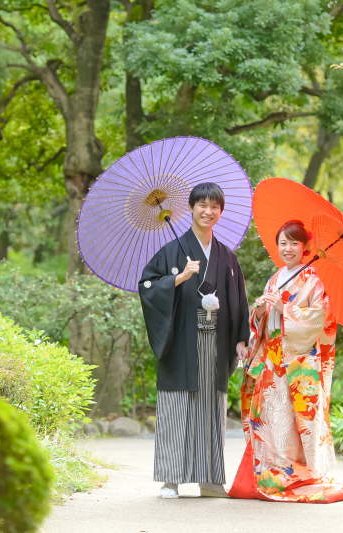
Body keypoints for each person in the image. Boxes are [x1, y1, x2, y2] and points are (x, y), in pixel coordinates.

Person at [138, 182, 250, 499]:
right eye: (202, 205)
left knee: (210, 409)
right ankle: (171, 479)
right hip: (181, 340)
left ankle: (210, 479)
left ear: (220, 212)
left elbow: (239, 300)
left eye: (214, 207)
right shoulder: (171, 252)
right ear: (190, 208)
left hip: (215, 343)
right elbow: (147, 285)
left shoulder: (228, 258)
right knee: (176, 405)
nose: (208, 211)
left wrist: (242, 340)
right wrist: (179, 278)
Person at [228, 220, 343, 503]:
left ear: (305, 247)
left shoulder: (313, 279)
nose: (288, 248)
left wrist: (287, 308)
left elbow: (320, 319)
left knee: (292, 421)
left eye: (294, 243)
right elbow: (260, 323)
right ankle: (269, 474)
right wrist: (259, 312)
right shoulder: (276, 277)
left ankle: (297, 476)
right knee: (268, 419)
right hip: (270, 359)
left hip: (297, 362)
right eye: (283, 243)